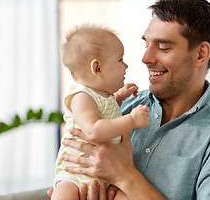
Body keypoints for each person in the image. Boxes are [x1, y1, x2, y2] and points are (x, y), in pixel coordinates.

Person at [53, 0, 210, 200]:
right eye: (146, 45)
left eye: (163, 47)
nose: (145, 59)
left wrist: (126, 176)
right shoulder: (117, 106)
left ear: (201, 54)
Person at [51, 24, 150, 200]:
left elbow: (106, 110)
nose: (126, 66)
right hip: (74, 176)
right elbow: (94, 130)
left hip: (106, 175)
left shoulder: (103, 96)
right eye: (120, 60)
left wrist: (120, 96)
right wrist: (132, 120)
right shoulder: (81, 97)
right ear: (97, 68)